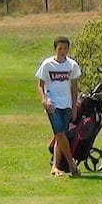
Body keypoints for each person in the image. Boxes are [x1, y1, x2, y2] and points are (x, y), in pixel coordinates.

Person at [36, 36, 81, 178]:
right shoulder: (47, 64)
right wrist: (44, 100)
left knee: (59, 135)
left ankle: (55, 166)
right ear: (55, 48)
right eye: (60, 48)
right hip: (52, 104)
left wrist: (74, 106)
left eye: (65, 48)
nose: (62, 51)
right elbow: (40, 84)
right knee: (60, 133)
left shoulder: (72, 65)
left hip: (66, 104)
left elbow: (74, 87)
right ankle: (71, 164)